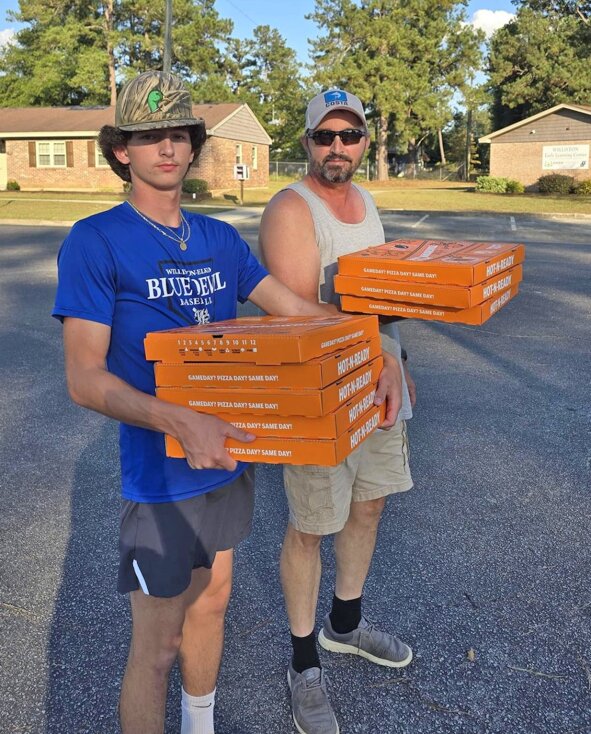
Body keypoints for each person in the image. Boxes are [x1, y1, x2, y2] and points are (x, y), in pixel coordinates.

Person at [52, 72, 401, 734]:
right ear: (121, 150)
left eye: (178, 135)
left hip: (228, 461)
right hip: (162, 476)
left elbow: (298, 310)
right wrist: (177, 417)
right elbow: (84, 378)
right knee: (155, 650)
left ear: (192, 145)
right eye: (148, 136)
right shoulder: (95, 240)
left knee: (212, 608)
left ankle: (201, 723)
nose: (167, 148)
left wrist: (377, 353)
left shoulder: (216, 239)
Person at [259, 88, 416, 734]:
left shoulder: (366, 201)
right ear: (305, 143)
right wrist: (378, 356)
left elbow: (373, 297)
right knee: (311, 525)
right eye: (324, 137)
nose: (337, 149)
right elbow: (300, 316)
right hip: (318, 392)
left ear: (362, 142)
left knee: (370, 502)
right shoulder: (290, 210)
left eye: (348, 137)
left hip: (377, 378)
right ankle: (302, 664)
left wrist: (396, 352)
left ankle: (343, 625)